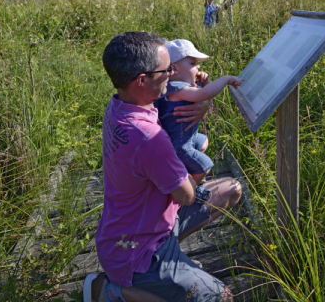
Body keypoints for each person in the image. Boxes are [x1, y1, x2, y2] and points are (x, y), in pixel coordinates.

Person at [86, 31, 242, 302]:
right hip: (138, 251)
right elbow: (187, 195)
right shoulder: (149, 138)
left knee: (232, 189)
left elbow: (177, 111)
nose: (172, 73)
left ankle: (171, 269)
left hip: (140, 226)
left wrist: (201, 101)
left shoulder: (121, 105)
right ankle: (112, 291)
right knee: (221, 297)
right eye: (166, 69)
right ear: (142, 79)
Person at [155, 39, 243, 187]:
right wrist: (226, 79)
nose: (198, 66)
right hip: (179, 146)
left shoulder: (178, 86)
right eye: (192, 63)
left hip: (183, 139)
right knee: (205, 166)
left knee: (202, 141)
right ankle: (189, 192)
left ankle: (186, 173)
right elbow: (204, 94)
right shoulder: (176, 88)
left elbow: (206, 94)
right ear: (174, 68)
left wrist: (206, 81)